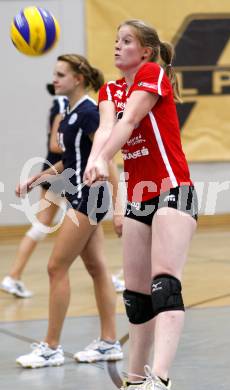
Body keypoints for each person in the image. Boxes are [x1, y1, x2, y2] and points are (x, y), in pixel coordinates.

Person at [84, 20, 198, 390]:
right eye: (116, 40)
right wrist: (95, 158)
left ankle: (160, 378)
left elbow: (131, 120)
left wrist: (104, 158)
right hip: (139, 196)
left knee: (164, 283)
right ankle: (135, 380)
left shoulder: (152, 74)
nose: (117, 46)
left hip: (172, 188)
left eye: (126, 41)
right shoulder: (110, 90)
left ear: (145, 51)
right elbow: (106, 127)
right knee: (136, 296)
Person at [15, 54, 123, 367]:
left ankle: (51, 346)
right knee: (98, 268)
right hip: (77, 191)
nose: (55, 79)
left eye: (61, 74)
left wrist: (118, 209)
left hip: (91, 195)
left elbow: (108, 162)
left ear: (78, 78)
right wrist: (38, 177)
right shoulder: (69, 113)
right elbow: (71, 161)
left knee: (55, 267)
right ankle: (109, 342)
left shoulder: (89, 112)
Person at [0, 85, 67, 298]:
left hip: (61, 170)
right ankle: (13, 276)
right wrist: (81, 147)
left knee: (44, 225)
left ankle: (13, 277)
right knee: (48, 225)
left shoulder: (65, 104)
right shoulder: (64, 106)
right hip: (59, 170)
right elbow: (55, 145)